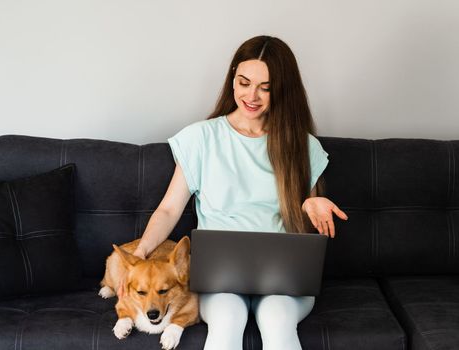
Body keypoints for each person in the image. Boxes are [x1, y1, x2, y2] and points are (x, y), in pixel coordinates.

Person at [123, 35, 348, 350]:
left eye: (265, 88)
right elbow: (169, 211)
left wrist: (311, 203)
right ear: (232, 81)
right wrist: (141, 253)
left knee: (277, 318)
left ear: (282, 91)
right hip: (221, 279)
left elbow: (306, 221)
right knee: (226, 318)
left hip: (284, 281)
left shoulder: (302, 145)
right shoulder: (201, 138)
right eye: (244, 82)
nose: (251, 95)